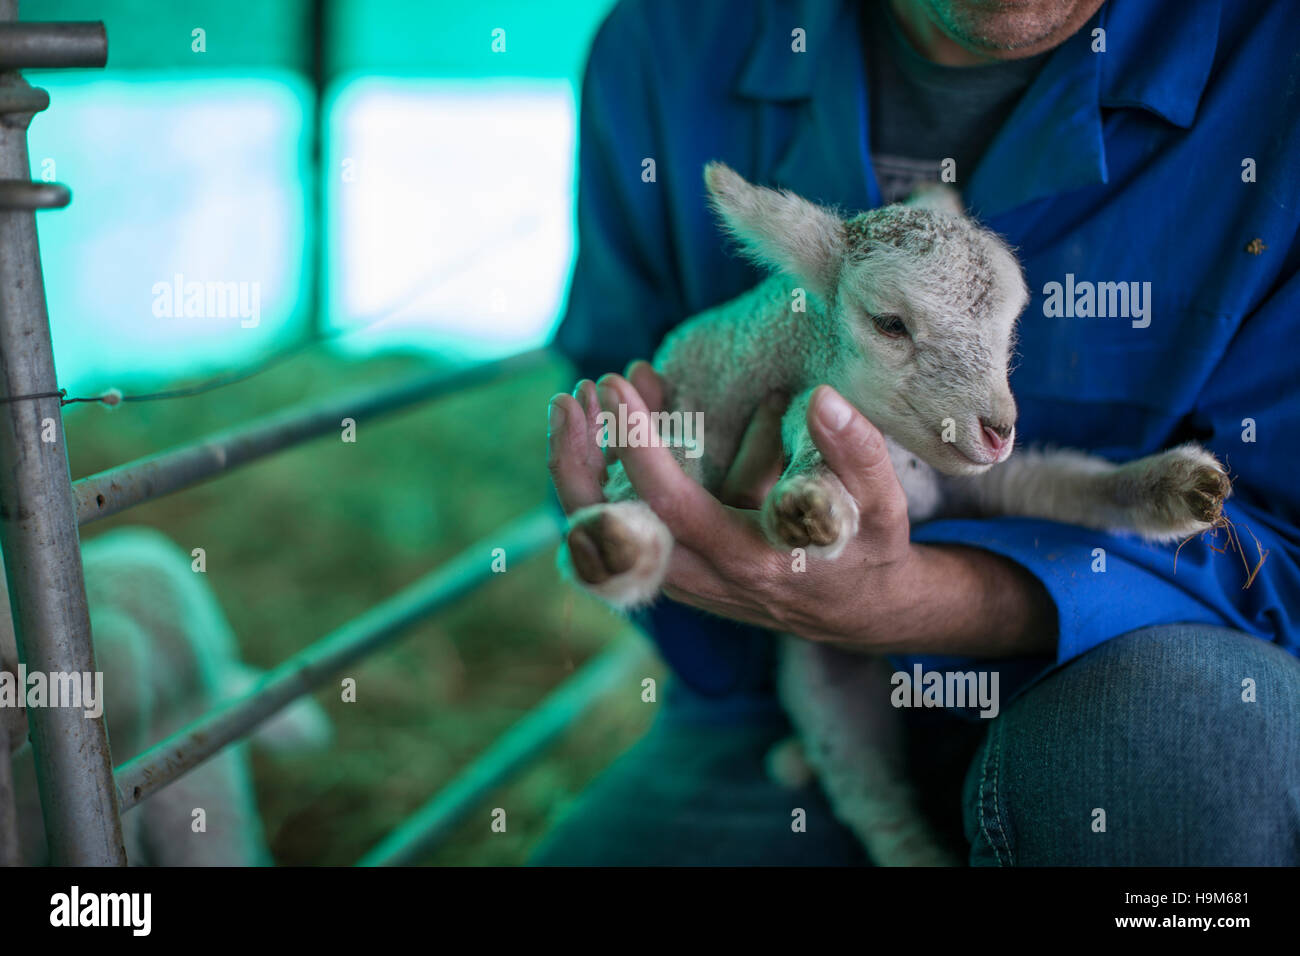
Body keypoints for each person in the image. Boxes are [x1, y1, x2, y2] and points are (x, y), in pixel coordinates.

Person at [537, 0, 1300, 865]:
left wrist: (914, 600)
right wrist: (644, 508)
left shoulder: (1278, 72)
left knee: (1185, 730)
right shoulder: (667, 46)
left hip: (1126, 703)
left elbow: (1288, 552)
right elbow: (618, 391)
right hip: (767, 696)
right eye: (894, 327)